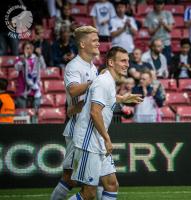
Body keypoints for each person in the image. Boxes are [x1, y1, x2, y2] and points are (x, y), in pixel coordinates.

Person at [68, 46, 142, 200]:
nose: (127, 64)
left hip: (97, 141)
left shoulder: (107, 81)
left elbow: (103, 100)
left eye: (128, 61)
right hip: (89, 141)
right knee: (88, 194)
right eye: (122, 60)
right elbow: (95, 112)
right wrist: (107, 138)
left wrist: (122, 99)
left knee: (111, 185)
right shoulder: (104, 81)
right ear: (110, 62)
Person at [50, 25, 100, 200]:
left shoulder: (93, 67)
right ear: (83, 44)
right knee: (71, 178)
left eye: (98, 40)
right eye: (94, 40)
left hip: (89, 127)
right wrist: (95, 83)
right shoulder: (74, 66)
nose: (98, 43)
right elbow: (72, 90)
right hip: (77, 127)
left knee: (94, 180)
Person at [14, 41, 46, 110]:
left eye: (31, 48)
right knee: (23, 115)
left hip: (35, 90)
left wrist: (40, 55)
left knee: (35, 115)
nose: (29, 50)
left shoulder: (37, 58)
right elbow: (17, 68)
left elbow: (43, 67)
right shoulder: (19, 58)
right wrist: (24, 59)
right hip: (22, 90)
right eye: (27, 48)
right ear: (23, 50)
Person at [144, 0, 174, 64]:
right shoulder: (149, 15)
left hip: (166, 43)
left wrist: (164, 24)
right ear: (154, 4)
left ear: (163, 4)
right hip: (155, 44)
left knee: (167, 63)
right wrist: (158, 26)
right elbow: (150, 33)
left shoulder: (168, 14)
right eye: (157, 3)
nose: (159, 5)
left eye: (161, 3)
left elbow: (170, 29)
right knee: (155, 63)